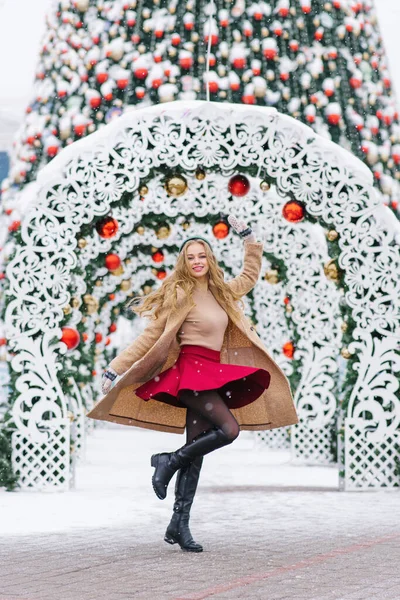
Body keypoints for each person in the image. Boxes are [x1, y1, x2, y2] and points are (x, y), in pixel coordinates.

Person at [87, 213, 298, 552]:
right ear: (183, 262)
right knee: (229, 430)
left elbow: (249, 275)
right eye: (191, 257)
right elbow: (150, 337)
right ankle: (167, 461)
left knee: (196, 453)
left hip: (212, 372)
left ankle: (178, 524)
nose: (197, 262)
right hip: (191, 372)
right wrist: (115, 368)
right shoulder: (179, 295)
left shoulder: (222, 292)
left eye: (202, 256)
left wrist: (249, 237)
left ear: (210, 259)